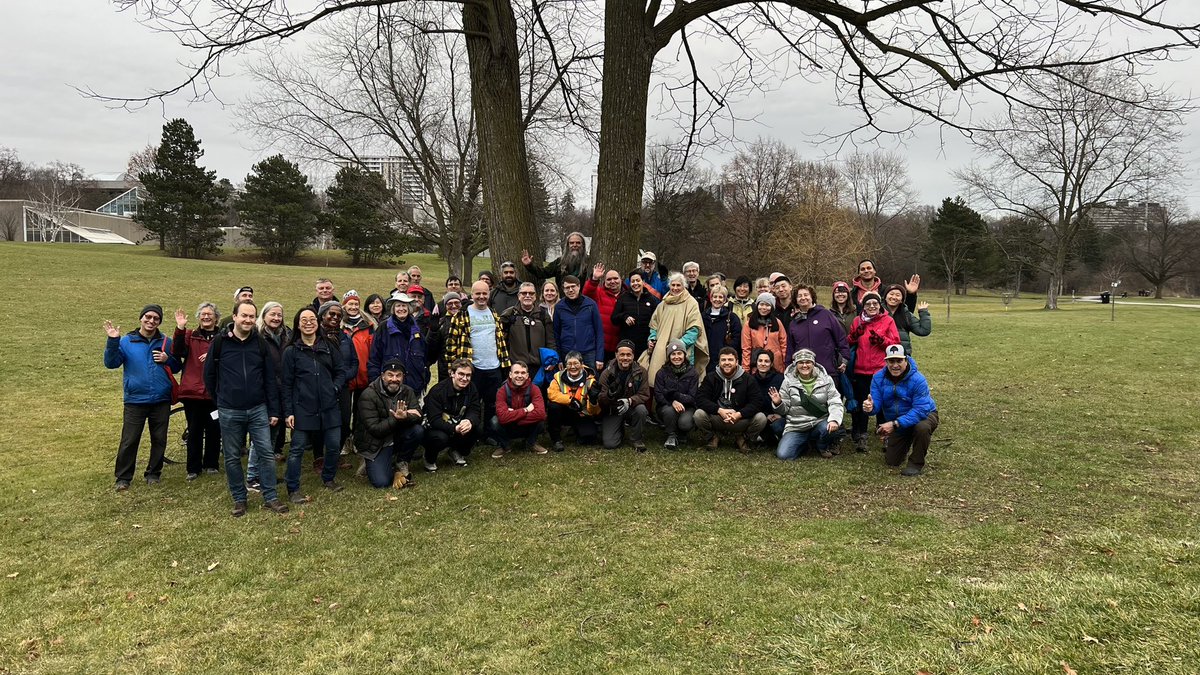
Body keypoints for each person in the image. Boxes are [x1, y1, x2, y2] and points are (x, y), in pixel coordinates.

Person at [204, 300, 289, 516]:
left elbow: (269, 378)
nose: (248, 320)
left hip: (258, 408)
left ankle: (270, 496)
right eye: (244, 315)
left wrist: (273, 409)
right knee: (232, 457)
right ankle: (239, 499)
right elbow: (209, 376)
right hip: (229, 410)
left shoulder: (259, 343)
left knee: (266, 454)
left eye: (252, 316)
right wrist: (221, 401)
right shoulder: (220, 342)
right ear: (234, 317)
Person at [103, 304, 179, 491]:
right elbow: (111, 363)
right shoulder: (126, 341)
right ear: (141, 318)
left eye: (156, 318)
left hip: (161, 399)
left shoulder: (166, 342)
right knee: (129, 440)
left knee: (159, 439)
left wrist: (167, 359)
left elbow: (177, 366)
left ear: (159, 321)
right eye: (148, 317)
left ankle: (154, 473)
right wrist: (113, 340)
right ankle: (123, 477)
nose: (151, 321)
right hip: (135, 400)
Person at [282, 307, 349, 501]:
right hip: (303, 407)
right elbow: (286, 384)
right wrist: (289, 412)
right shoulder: (291, 352)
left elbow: (341, 371)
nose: (308, 322)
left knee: (334, 445)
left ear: (318, 322)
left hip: (329, 406)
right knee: (297, 449)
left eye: (312, 319)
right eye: (304, 319)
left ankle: (328, 478)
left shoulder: (328, 345)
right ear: (297, 324)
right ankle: (293, 488)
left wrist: (335, 388)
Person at [862, 344, 939, 476]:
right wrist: (870, 407)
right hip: (899, 420)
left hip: (925, 414)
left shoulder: (918, 379)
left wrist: (894, 424)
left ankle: (916, 464)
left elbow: (921, 410)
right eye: (891, 361)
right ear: (886, 361)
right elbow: (876, 404)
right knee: (892, 461)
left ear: (906, 360)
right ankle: (906, 438)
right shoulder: (878, 378)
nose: (895, 365)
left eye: (899, 361)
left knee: (922, 428)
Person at [445, 281, 511, 428]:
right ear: (472, 294)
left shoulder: (493, 313)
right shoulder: (462, 315)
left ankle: (489, 432)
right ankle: (471, 431)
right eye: (478, 293)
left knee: (492, 402)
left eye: (484, 293)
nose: (481, 296)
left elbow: (499, 340)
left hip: (494, 367)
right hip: (473, 367)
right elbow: (451, 344)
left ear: (489, 294)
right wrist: (452, 367)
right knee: (471, 402)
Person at [356, 358, 424, 488]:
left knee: (418, 431)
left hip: (396, 435)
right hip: (376, 442)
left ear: (403, 377)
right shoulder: (368, 395)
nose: (394, 379)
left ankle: (401, 461)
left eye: (398, 375)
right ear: (382, 376)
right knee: (381, 482)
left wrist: (406, 416)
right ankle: (369, 461)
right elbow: (374, 429)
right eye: (390, 375)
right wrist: (396, 418)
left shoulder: (407, 391)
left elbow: (418, 415)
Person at [171, 303, 221, 480]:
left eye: (210, 314)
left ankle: (211, 464)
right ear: (198, 317)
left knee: (215, 429)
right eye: (203, 314)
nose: (206, 317)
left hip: (215, 392)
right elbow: (177, 351)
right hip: (192, 392)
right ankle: (193, 468)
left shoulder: (222, 337)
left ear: (216, 318)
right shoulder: (191, 336)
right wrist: (180, 328)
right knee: (194, 430)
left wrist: (213, 355)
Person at [847, 292, 900, 453]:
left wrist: (882, 341)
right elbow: (849, 341)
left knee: (883, 402)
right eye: (868, 304)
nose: (871, 307)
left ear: (879, 305)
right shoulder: (858, 321)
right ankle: (862, 436)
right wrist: (855, 335)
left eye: (874, 304)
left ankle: (884, 434)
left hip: (880, 370)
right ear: (864, 306)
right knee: (864, 403)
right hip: (861, 369)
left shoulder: (888, 320)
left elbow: (896, 344)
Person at [770, 348, 845, 460]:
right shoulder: (787, 382)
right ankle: (804, 444)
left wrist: (834, 419)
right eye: (801, 362)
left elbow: (836, 402)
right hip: (797, 426)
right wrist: (778, 403)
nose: (804, 365)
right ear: (796, 365)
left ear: (813, 364)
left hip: (819, 422)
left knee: (829, 427)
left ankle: (822, 446)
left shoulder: (826, 380)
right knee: (783, 455)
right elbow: (783, 411)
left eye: (808, 362)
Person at [639, 272, 709, 384]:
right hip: (661, 351)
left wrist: (676, 347)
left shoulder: (691, 304)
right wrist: (652, 339)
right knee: (660, 384)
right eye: (673, 285)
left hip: (681, 353)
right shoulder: (663, 303)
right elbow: (654, 325)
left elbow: (694, 331)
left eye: (678, 285)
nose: (675, 288)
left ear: (684, 286)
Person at [694, 347, 767, 452]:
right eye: (723, 360)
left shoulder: (748, 379)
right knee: (699, 414)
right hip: (718, 417)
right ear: (719, 362)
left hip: (739, 420)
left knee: (761, 418)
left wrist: (739, 414)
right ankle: (712, 438)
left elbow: (757, 402)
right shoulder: (711, 377)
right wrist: (719, 410)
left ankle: (743, 439)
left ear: (737, 362)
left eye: (730, 360)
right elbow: (700, 398)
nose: (727, 363)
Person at [422, 358, 484, 471]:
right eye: (461, 374)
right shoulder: (438, 391)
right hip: (434, 427)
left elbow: (475, 410)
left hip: (457, 424)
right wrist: (454, 428)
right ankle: (429, 458)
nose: (464, 378)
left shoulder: (472, 388)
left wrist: (469, 421)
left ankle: (456, 450)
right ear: (452, 373)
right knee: (441, 438)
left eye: (468, 375)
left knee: (476, 428)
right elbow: (434, 420)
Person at [785, 283, 849, 381]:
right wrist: (789, 367)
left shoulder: (826, 315)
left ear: (812, 297)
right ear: (796, 300)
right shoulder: (793, 323)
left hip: (828, 372)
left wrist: (844, 359)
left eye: (806, 295)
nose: (803, 298)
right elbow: (790, 348)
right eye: (799, 296)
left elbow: (841, 338)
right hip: (803, 375)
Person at [596, 341, 650, 452]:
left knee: (642, 410)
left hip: (631, 407)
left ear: (633, 356)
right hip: (613, 409)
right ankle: (618, 429)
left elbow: (644, 394)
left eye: (628, 355)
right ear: (616, 355)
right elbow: (600, 399)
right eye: (622, 354)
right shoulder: (606, 373)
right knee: (610, 444)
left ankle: (637, 439)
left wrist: (630, 400)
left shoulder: (641, 372)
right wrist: (609, 396)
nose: (625, 358)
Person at [368, 293, 428, 394]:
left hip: (414, 387)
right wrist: (376, 384)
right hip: (390, 388)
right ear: (393, 309)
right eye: (398, 306)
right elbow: (374, 358)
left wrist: (424, 378)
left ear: (409, 308)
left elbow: (425, 357)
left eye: (404, 305)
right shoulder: (383, 328)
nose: (401, 309)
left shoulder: (417, 328)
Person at [340, 290, 376, 454]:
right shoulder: (339, 324)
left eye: (356, 304)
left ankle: (357, 439)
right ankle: (345, 439)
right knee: (344, 412)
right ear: (344, 305)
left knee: (361, 412)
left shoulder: (368, 325)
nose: (353, 307)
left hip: (363, 374)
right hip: (346, 377)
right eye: (350, 304)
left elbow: (373, 350)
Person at [501, 282, 556, 386]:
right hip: (516, 366)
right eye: (524, 293)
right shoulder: (509, 314)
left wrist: (551, 360)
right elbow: (499, 338)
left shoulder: (543, 314)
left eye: (531, 293)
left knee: (537, 398)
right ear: (518, 296)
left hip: (538, 366)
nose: (527, 296)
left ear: (535, 296)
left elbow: (551, 340)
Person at [490, 361, 549, 457]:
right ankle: (505, 446)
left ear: (527, 375)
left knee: (541, 421)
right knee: (494, 421)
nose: (520, 376)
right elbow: (502, 417)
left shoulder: (534, 389)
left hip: (525, 425)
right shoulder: (502, 391)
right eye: (516, 372)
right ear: (510, 374)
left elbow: (541, 413)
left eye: (523, 373)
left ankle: (531, 443)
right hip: (509, 427)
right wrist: (525, 410)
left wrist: (513, 416)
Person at [546, 351, 601, 451]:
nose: (573, 367)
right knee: (553, 406)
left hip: (582, 414)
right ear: (565, 365)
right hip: (564, 412)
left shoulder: (591, 381)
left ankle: (576, 431)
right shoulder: (558, 377)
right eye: (569, 364)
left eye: (576, 363)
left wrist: (593, 401)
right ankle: (556, 440)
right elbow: (551, 393)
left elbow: (594, 412)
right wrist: (570, 400)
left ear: (582, 364)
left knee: (589, 437)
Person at [257, 302, 290, 464]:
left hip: (283, 384)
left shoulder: (286, 335)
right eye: (272, 314)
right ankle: (263, 455)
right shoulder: (258, 336)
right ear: (264, 316)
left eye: (279, 315)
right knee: (266, 422)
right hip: (264, 386)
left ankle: (276, 450)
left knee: (280, 419)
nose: (276, 318)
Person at [653, 340, 700, 449]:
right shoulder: (662, 373)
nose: (676, 357)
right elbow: (658, 395)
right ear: (669, 356)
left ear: (684, 355)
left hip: (687, 407)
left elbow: (692, 397)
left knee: (685, 423)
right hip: (666, 406)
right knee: (669, 411)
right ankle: (671, 435)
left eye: (679, 353)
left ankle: (682, 432)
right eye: (673, 354)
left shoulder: (693, 373)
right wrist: (672, 402)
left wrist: (675, 396)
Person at [554, 275, 605, 372]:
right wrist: (559, 359)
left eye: (573, 286)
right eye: (567, 288)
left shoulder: (591, 305)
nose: (570, 290)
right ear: (563, 290)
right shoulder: (559, 307)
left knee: (591, 383)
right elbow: (556, 333)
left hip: (589, 353)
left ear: (579, 286)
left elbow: (599, 331)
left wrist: (599, 357)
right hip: (567, 353)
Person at [610, 271, 659, 360]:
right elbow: (614, 318)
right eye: (633, 281)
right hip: (627, 344)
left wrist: (652, 339)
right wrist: (624, 317)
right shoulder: (623, 298)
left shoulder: (651, 299)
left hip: (645, 343)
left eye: (638, 280)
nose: (635, 283)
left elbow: (657, 320)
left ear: (643, 282)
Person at [583, 264, 624, 362]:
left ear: (621, 280)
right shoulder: (599, 293)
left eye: (615, 278)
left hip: (620, 347)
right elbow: (587, 293)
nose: (612, 281)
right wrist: (594, 279)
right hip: (601, 346)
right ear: (604, 282)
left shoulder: (627, 296)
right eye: (609, 279)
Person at [522, 231, 589, 289]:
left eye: (578, 243)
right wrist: (529, 265)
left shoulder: (589, 261)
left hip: (583, 300)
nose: (574, 245)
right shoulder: (560, 262)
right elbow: (543, 273)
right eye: (571, 243)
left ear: (583, 245)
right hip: (563, 300)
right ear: (567, 245)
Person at [741, 293, 787, 372]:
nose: (764, 308)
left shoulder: (777, 323)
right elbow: (746, 349)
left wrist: (785, 366)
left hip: (776, 366)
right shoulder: (749, 324)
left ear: (772, 307)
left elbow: (784, 345)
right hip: (757, 365)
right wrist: (746, 370)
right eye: (761, 304)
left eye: (767, 305)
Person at [749, 348, 785, 446]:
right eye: (760, 361)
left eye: (766, 361)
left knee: (778, 426)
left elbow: (787, 401)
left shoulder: (780, 379)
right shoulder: (750, 380)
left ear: (771, 364)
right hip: (759, 416)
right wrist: (766, 415)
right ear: (756, 363)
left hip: (777, 416)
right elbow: (749, 403)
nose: (763, 364)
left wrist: (779, 414)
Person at [852, 259, 920, 312]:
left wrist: (911, 294)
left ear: (874, 271)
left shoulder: (887, 291)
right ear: (859, 273)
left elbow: (905, 312)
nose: (866, 271)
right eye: (862, 269)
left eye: (869, 268)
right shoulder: (852, 294)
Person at [883, 284, 932, 355]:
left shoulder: (906, 315)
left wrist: (923, 312)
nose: (894, 297)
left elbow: (924, 331)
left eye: (897, 295)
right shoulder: (878, 313)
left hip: (902, 356)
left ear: (902, 300)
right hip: (881, 356)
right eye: (891, 294)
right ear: (885, 297)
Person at [701, 284, 741, 373]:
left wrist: (726, 353)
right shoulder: (703, 316)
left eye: (720, 297)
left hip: (723, 361)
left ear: (725, 300)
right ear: (711, 298)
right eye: (715, 297)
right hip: (705, 359)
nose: (717, 300)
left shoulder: (732, 318)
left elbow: (736, 339)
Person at [427, 291, 462, 383]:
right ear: (445, 306)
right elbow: (432, 348)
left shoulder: (467, 320)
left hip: (465, 365)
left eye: (456, 303)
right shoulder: (441, 323)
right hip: (445, 368)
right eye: (450, 303)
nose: (454, 306)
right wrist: (433, 331)